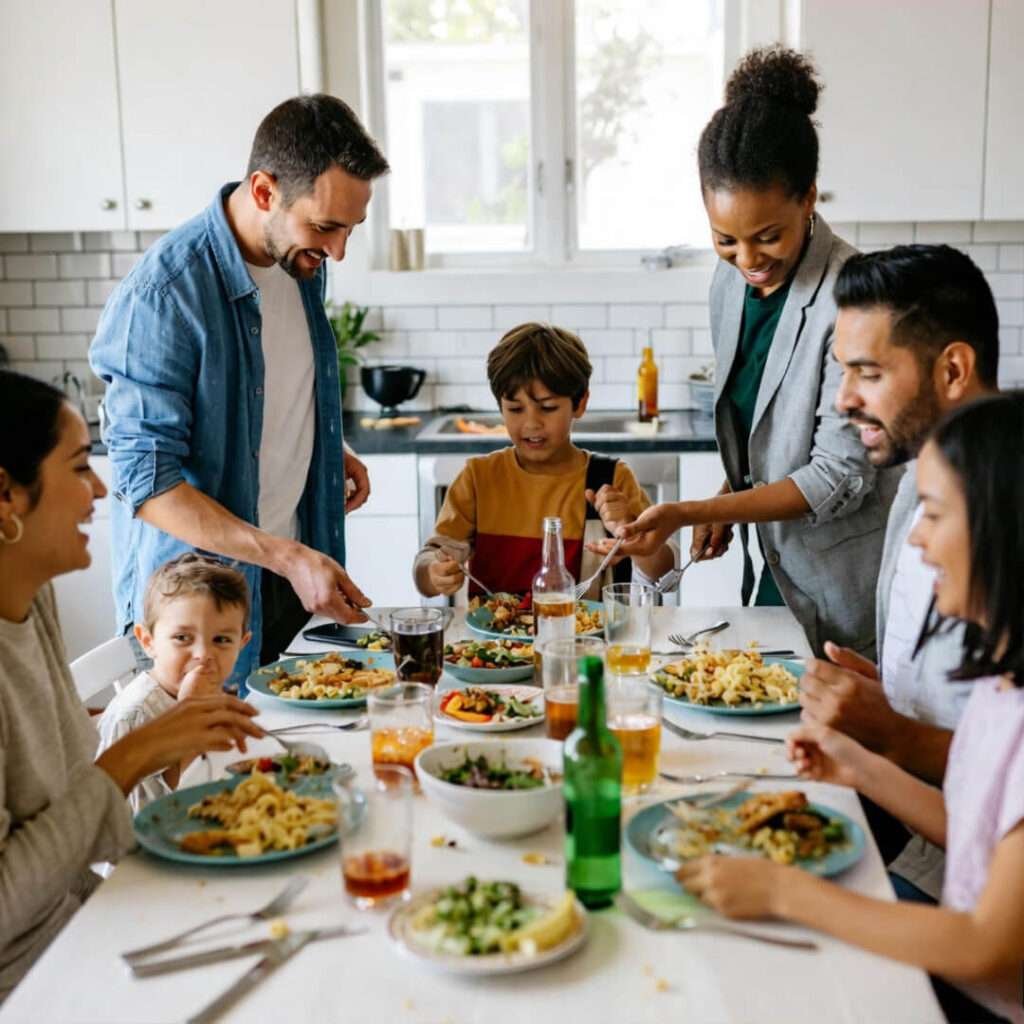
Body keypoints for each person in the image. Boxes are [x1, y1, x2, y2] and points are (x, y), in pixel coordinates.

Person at [680, 394, 1024, 1024]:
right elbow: (973, 827)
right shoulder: (1001, 686)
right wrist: (859, 768)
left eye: (935, 515)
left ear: (1006, 534)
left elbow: (989, 950)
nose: (916, 539)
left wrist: (788, 892)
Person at [610, 47, 900, 657]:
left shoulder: (855, 296)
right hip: (773, 564)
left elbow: (837, 474)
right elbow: (765, 425)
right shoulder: (729, 285)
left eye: (769, 237)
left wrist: (693, 511)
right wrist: (728, 497)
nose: (748, 261)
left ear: (809, 198)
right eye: (725, 239)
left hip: (844, 582)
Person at [90, 94, 391, 682]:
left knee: (290, 763)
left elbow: (262, 389)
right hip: (201, 609)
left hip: (285, 578)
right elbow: (147, 483)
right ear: (263, 192)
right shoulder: (165, 294)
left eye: (350, 229)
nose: (338, 251)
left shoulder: (299, 261)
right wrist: (286, 555)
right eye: (326, 227)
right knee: (211, 768)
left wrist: (327, 446)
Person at [0, 371, 263, 1001]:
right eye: (79, 466)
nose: (99, 489)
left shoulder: (31, 605)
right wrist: (132, 759)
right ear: (7, 495)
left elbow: (74, 819)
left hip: (90, 918)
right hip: (34, 980)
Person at [799, 244, 1000, 899]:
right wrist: (886, 699)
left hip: (967, 883)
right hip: (909, 827)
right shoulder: (914, 487)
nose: (841, 401)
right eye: (841, 372)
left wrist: (898, 733)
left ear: (952, 370)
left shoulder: (1009, 523)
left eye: (868, 373)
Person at [413, 323, 676, 599]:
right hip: (490, 642)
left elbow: (665, 575)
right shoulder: (479, 478)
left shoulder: (609, 479)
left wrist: (633, 535)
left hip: (584, 640)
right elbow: (427, 566)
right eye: (515, 409)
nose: (531, 423)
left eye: (548, 408)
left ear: (580, 403)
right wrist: (433, 573)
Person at [97, 553, 252, 811]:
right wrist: (188, 711)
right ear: (148, 642)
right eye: (182, 637)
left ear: (241, 644)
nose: (203, 654)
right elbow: (160, 812)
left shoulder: (213, 690)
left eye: (222, 640)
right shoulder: (135, 716)